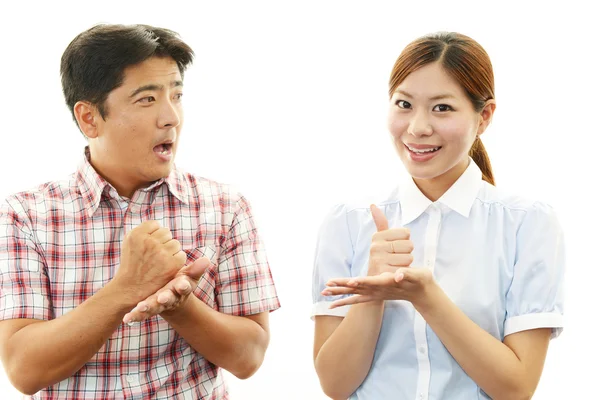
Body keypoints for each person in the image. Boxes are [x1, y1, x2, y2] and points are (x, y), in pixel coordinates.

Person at [0, 24, 280, 399]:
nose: (171, 118)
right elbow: (24, 370)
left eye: (177, 95)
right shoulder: (26, 216)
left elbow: (249, 358)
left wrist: (179, 307)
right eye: (147, 99)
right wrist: (126, 289)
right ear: (89, 118)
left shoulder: (225, 207)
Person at [311, 32, 564, 400]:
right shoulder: (348, 222)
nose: (417, 128)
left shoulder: (526, 224)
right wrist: (373, 290)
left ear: (484, 116)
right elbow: (334, 385)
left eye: (441, 108)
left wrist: (427, 297)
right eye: (404, 104)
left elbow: (516, 387)